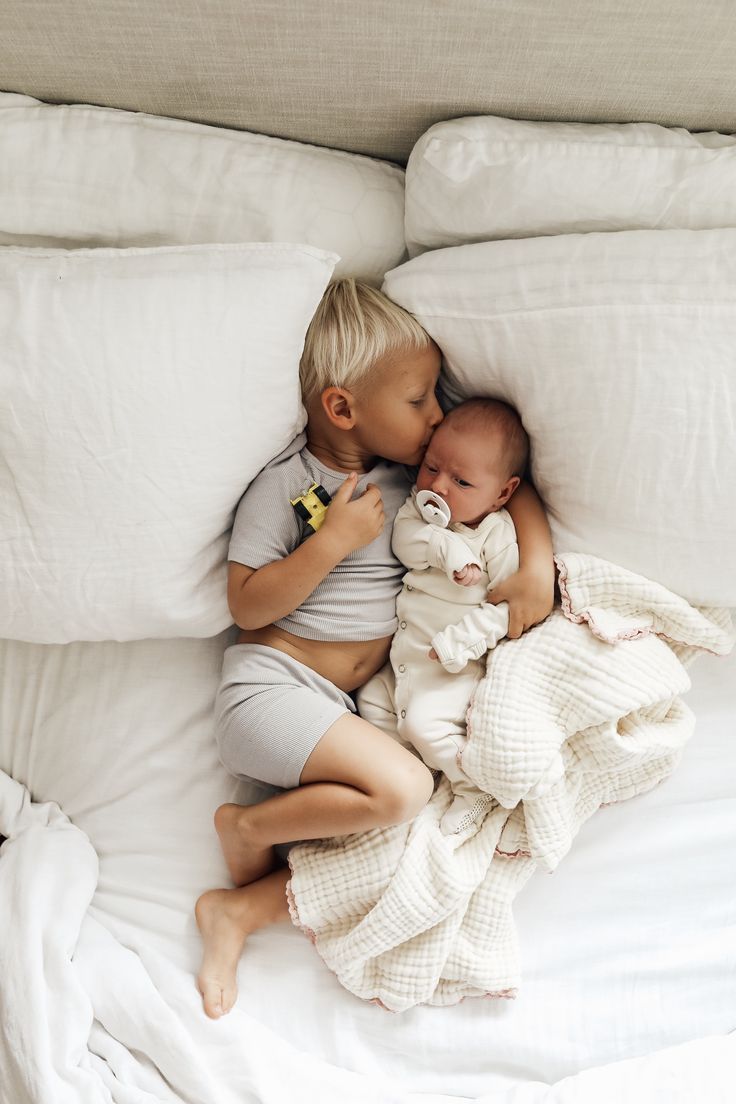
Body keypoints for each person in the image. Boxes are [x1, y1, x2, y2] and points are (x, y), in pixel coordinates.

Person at [195, 279, 554, 1019]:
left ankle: (238, 912)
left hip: (344, 709)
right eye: (419, 400)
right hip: (270, 689)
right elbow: (245, 601)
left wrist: (536, 567)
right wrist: (328, 545)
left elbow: (505, 487)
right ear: (342, 408)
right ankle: (247, 826)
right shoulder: (291, 486)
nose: (437, 416)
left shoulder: (419, 481)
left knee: (407, 836)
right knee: (405, 791)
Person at [357, 398, 528, 836]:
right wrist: (443, 546)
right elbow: (404, 542)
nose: (440, 486)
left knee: (423, 722)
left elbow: (507, 607)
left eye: (462, 481)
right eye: (432, 467)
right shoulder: (419, 512)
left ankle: (475, 789)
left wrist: (463, 641)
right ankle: (417, 771)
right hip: (403, 659)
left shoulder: (496, 533)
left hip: (452, 664)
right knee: (372, 704)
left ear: (502, 493)